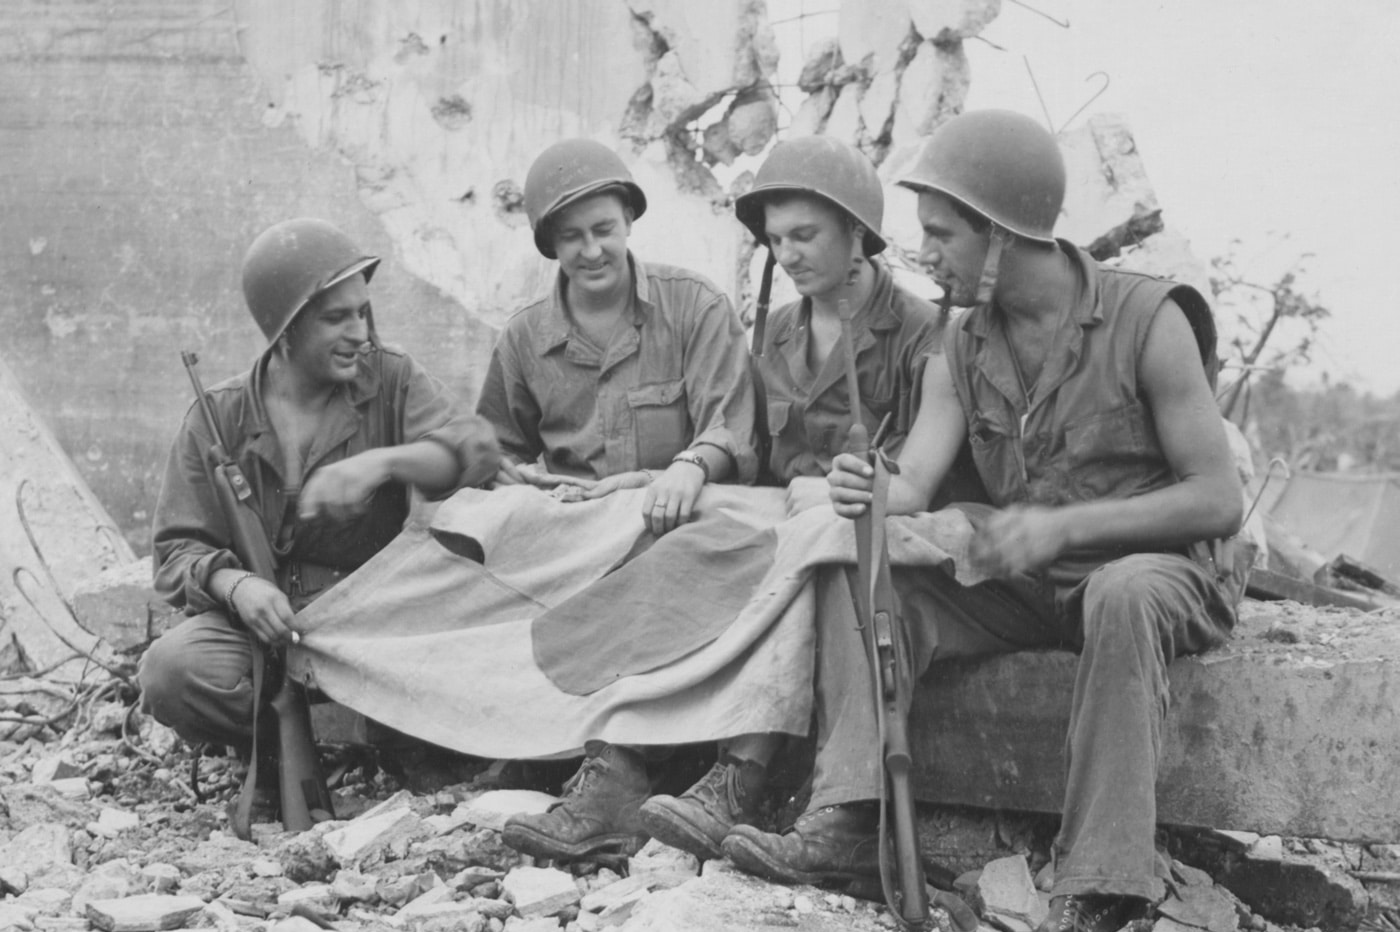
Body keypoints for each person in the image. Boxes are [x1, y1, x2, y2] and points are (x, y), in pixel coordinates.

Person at [718, 110, 1246, 932]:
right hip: (1037, 581)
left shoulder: (1146, 318)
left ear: (1000, 235)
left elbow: (1216, 498)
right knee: (862, 564)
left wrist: (1063, 527)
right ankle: (846, 815)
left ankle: (1088, 903)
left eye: (942, 233)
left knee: (1120, 592)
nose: (926, 254)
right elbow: (916, 478)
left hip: (1159, 572)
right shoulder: (960, 343)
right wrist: (867, 486)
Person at [635, 135, 958, 862]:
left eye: (806, 235)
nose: (789, 254)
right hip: (780, 530)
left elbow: (914, 482)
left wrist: (825, 490)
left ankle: (740, 776)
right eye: (777, 240)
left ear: (857, 234)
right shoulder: (774, 331)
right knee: (670, 531)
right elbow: (743, 448)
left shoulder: (923, 334)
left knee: (815, 534)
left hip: (867, 539)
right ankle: (621, 763)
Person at [484, 139, 759, 861]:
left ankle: (613, 779)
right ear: (550, 246)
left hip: (675, 528)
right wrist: (517, 484)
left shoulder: (693, 307)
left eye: (603, 229)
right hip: (573, 532)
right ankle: (515, 743)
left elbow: (733, 423)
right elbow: (495, 450)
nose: (592, 250)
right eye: (571, 237)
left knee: (668, 548)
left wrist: (692, 465)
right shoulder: (524, 339)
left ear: (629, 221)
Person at [138, 218, 500, 763]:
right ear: (286, 330)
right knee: (171, 672)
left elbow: (474, 452)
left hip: (378, 626)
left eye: (362, 312)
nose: (359, 332)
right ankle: (310, 737)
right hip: (267, 636)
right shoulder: (217, 420)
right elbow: (175, 552)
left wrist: (383, 462)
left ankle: (373, 729)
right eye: (336, 318)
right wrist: (236, 586)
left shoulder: (391, 377)